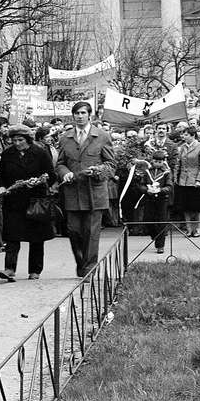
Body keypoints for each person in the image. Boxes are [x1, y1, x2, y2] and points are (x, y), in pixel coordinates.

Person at [56, 101, 115, 277]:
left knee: (91, 232)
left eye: (83, 113)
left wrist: (98, 171)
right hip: (72, 192)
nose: (79, 116)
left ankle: (89, 268)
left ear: (90, 115)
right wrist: (64, 172)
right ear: (73, 116)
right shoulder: (65, 138)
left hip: (94, 192)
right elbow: (60, 163)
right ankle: (81, 262)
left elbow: (111, 164)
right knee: (73, 231)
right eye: (76, 113)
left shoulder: (102, 136)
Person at [0, 125, 56, 281]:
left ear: (28, 139)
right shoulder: (8, 154)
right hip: (14, 201)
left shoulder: (40, 153)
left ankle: (35, 270)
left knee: (36, 237)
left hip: (35, 200)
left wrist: (39, 182)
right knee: (12, 236)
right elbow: (0, 176)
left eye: (20, 140)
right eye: (14, 140)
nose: (17, 143)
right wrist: (1, 187)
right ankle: (9, 268)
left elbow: (51, 176)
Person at [135, 150, 172, 254]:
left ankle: (160, 245)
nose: (158, 163)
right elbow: (141, 185)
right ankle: (155, 235)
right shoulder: (147, 172)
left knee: (161, 222)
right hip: (149, 199)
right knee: (147, 220)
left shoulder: (167, 172)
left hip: (162, 200)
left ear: (163, 162)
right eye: (156, 161)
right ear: (152, 161)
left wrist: (160, 190)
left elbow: (169, 186)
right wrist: (147, 190)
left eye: (160, 162)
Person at [174, 125, 200, 237]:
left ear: (193, 135)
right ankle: (189, 229)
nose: (183, 136)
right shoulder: (182, 147)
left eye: (186, 134)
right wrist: (176, 178)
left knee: (197, 206)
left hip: (196, 181)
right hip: (183, 181)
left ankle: (198, 228)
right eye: (183, 134)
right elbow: (178, 164)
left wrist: (199, 180)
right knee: (185, 206)